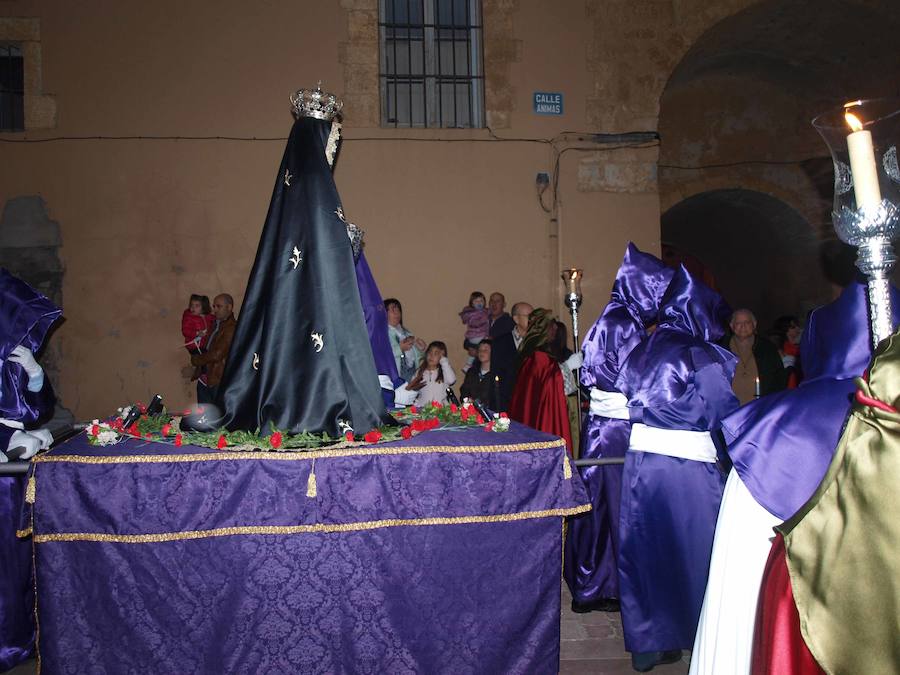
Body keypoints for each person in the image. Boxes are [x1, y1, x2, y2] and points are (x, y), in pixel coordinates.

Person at [689, 282, 899, 675]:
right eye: (740, 322)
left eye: (750, 322)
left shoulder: (770, 433)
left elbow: (738, 572)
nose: (745, 327)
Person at [203, 86, 390, 437]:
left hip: (313, 303)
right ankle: (311, 408)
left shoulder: (301, 194)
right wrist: (344, 239)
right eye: (332, 140)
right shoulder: (313, 191)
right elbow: (318, 252)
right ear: (316, 144)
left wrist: (343, 240)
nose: (335, 148)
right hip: (307, 304)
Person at [615, 265, 738, 672]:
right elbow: (724, 413)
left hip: (642, 467)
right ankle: (702, 634)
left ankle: (650, 643)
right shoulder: (698, 353)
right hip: (689, 470)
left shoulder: (640, 350)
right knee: (697, 551)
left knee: (647, 549)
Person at [565, 243, 674, 616]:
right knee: (614, 507)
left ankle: (592, 582)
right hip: (615, 428)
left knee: (602, 504)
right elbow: (628, 377)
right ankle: (601, 585)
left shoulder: (617, 318)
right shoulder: (623, 323)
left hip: (607, 425)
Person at [0, 268, 62, 672]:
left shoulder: (13, 361)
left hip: (12, 455)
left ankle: (17, 635)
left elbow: (40, 411)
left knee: (16, 558)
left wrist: (35, 374)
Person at [508, 308, 573, 453]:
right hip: (542, 423)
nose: (556, 328)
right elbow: (555, 388)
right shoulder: (542, 359)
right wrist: (567, 367)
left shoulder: (530, 354)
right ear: (545, 328)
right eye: (552, 324)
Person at [721, 309, 786, 405]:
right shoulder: (722, 348)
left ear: (754, 324)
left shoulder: (767, 348)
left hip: (760, 407)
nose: (743, 326)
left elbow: (779, 378)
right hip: (729, 408)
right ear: (731, 326)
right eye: (738, 323)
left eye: (747, 322)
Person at [190, 294, 237, 405]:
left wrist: (197, 359)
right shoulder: (215, 324)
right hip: (205, 378)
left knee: (217, 416)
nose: (214, 309)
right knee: (204, 417)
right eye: (214, 306)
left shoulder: (232, 327)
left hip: (217, 379)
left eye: (218, 306)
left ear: (229, 307)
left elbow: (217, 354)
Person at [491, 301, 532, 411]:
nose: (533, 319)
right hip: (508, 402)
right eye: (528, 316)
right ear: (516, 319)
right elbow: (496, 374)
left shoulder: (538, 342)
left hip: (532, 400)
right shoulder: (500, 342)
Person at [385, 298, 426, 383]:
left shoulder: (407, 333)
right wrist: (399, 348)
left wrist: (420, 349)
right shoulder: (382, 334)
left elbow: (415, 359)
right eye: (393, 310)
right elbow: (381, 356)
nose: (397, 313)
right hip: (394, 378)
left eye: (398, 310)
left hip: (411, 375)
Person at [407, 341, 457, 407]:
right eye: (430, 352)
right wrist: (416, 404)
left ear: (442, 356)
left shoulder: (445, 371)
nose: (431, 355)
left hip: (440, 410)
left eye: (436, 353)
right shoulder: (420, 371)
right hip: (422, 409)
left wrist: (444, 361)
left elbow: (451, 380)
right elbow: (412, 389)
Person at [460, 339, 498, 409]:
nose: (482, 352)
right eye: (480, 350)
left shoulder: (497, 375)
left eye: (485, 350)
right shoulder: (472, 372)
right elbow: (464, 391)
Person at [771, 314, 802, 388]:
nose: (797, 329)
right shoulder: (780, 348)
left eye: (797, 326)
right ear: (785, 329)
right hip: (785, 387)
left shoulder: (798, 347)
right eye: (793, 327)